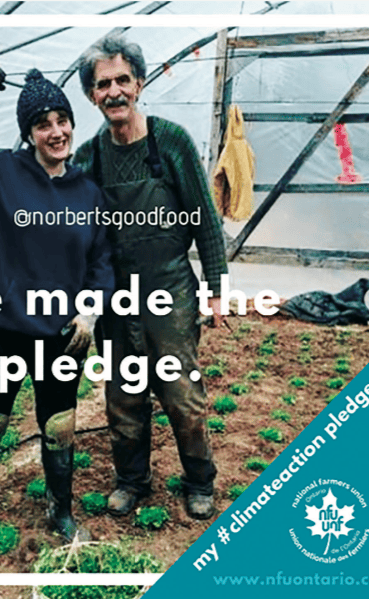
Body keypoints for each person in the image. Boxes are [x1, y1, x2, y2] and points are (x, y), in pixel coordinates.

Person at [0, 64, 115, 541]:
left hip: (60, 334)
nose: (55, 132)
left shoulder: (87, 193)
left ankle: (62, 508)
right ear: (28, 133)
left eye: (61, 120)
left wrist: (91, 306)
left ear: (73, 123)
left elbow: (100, 260)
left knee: (60, 423)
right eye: (42, 123)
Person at [74, 34, 228, 520]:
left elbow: (205, 219)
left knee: (182, 394)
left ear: (139, 84)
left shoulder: (171, 141)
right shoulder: (88, 158)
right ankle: (131, 481)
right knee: (123, 396)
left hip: (171, 289)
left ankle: (199, 480)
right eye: (103, 84)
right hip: (116, 295)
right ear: (91, 95)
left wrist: (217, 289)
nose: (114, 91)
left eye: (123, 79)